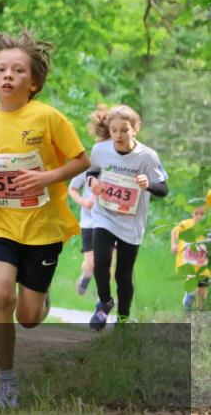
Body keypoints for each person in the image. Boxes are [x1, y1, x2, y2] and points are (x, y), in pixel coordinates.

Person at [0, 30, 89, 409]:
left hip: (43, 227)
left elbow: (81, 161)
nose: (8, 76)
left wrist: (46, 178)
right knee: (1, 294)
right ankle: (7, 381)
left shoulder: (49, 118)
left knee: (29, 318)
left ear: (33, 82)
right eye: (1, 69)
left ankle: (40, 298)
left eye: (18, 70)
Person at [86, 105, 168, 330]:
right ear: (109, 131)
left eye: (124, 130)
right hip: (105, 215)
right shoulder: (100, 150)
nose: (119, 135)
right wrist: (93, 182)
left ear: (136, 129)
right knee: (100, 261)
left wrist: (148, 184)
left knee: (123, 275)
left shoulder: (147, 156)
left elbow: (163, 189)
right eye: (114, 130)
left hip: (131, 223)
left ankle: (123, 318)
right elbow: (92, 172)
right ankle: (104, 302)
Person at [68, 105, 115, 295]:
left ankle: (104, 301)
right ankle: (86, 276)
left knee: (108, 264)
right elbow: (72, 189)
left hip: (112, 221)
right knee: (90, 265)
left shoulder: (119, 166)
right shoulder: (90, 163)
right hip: (89, 221)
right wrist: (84, 202)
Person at [174, 198, 209, 311]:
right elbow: (174, 231)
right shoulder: (186, 224)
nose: (199, 216)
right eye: (196, 213)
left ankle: (201, 307)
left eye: (202, 214)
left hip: (203, 263)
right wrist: (173, 245)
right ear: (192, 213)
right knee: (192, 280)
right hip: (190, 261)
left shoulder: (208, 227)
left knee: (203, 287)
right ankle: (189, 298)